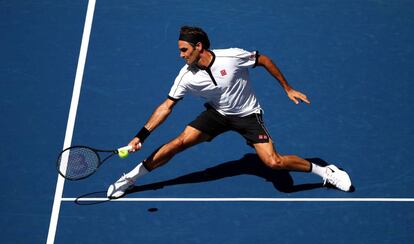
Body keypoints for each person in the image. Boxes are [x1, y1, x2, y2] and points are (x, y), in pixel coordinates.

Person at [107, 26, 352, 198]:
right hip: (218, 114)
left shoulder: (232, 56)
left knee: (273, 162)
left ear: (198, 47)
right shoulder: (186, 76)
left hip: (248, 116)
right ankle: (128, 179)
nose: (180, 56)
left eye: (184, 50)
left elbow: (264, 60)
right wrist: (141, 136)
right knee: (178, 143)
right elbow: (166, 106)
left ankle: (326, 171)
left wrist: (287, 88)